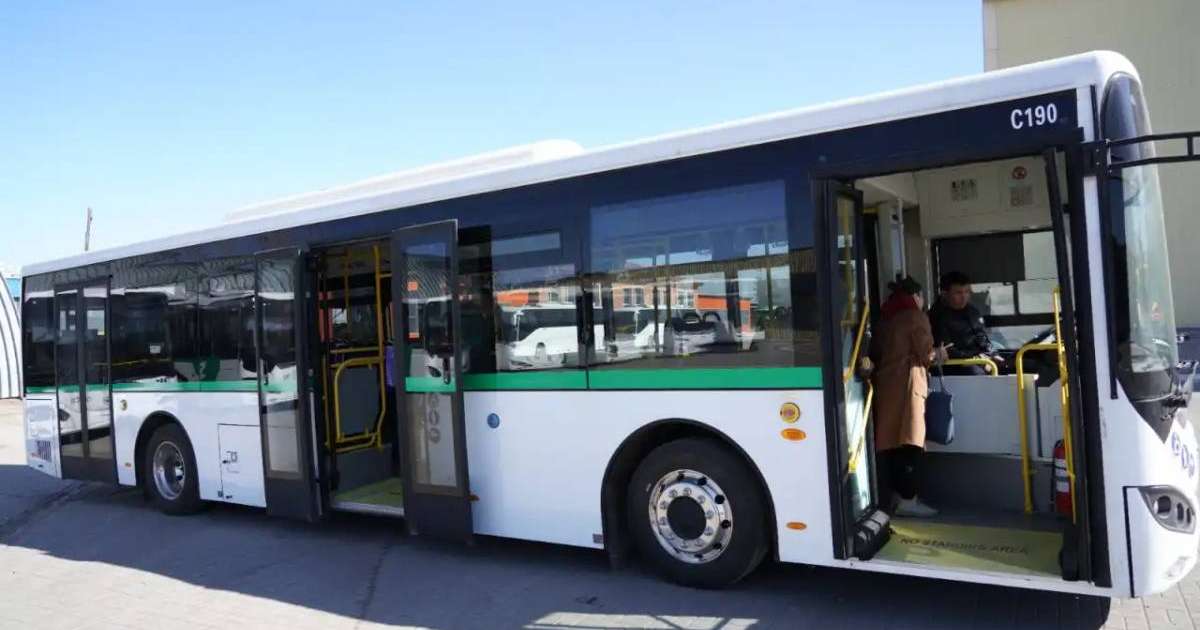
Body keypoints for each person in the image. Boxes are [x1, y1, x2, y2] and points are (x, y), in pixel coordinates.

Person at [868, 276, 948, 517]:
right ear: (916, 297)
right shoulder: (915, 317)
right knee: (910, 445)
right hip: (908, 388)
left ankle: (892, 496)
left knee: (891, 446)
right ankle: (908, 499)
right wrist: (941, 353)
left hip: (885, 388)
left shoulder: (884, 320)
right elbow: (927, 355)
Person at [928, 271, 992, 375]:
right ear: (945, 294)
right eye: (958, 293)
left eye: (967, 292)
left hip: (977, 360)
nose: (964, 297)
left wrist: (990, 354)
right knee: (976, 373)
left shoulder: (973, 311)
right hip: (953, 366)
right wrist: (975, 358)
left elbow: (981, 336)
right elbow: (947, 348)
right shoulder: (936, 316)